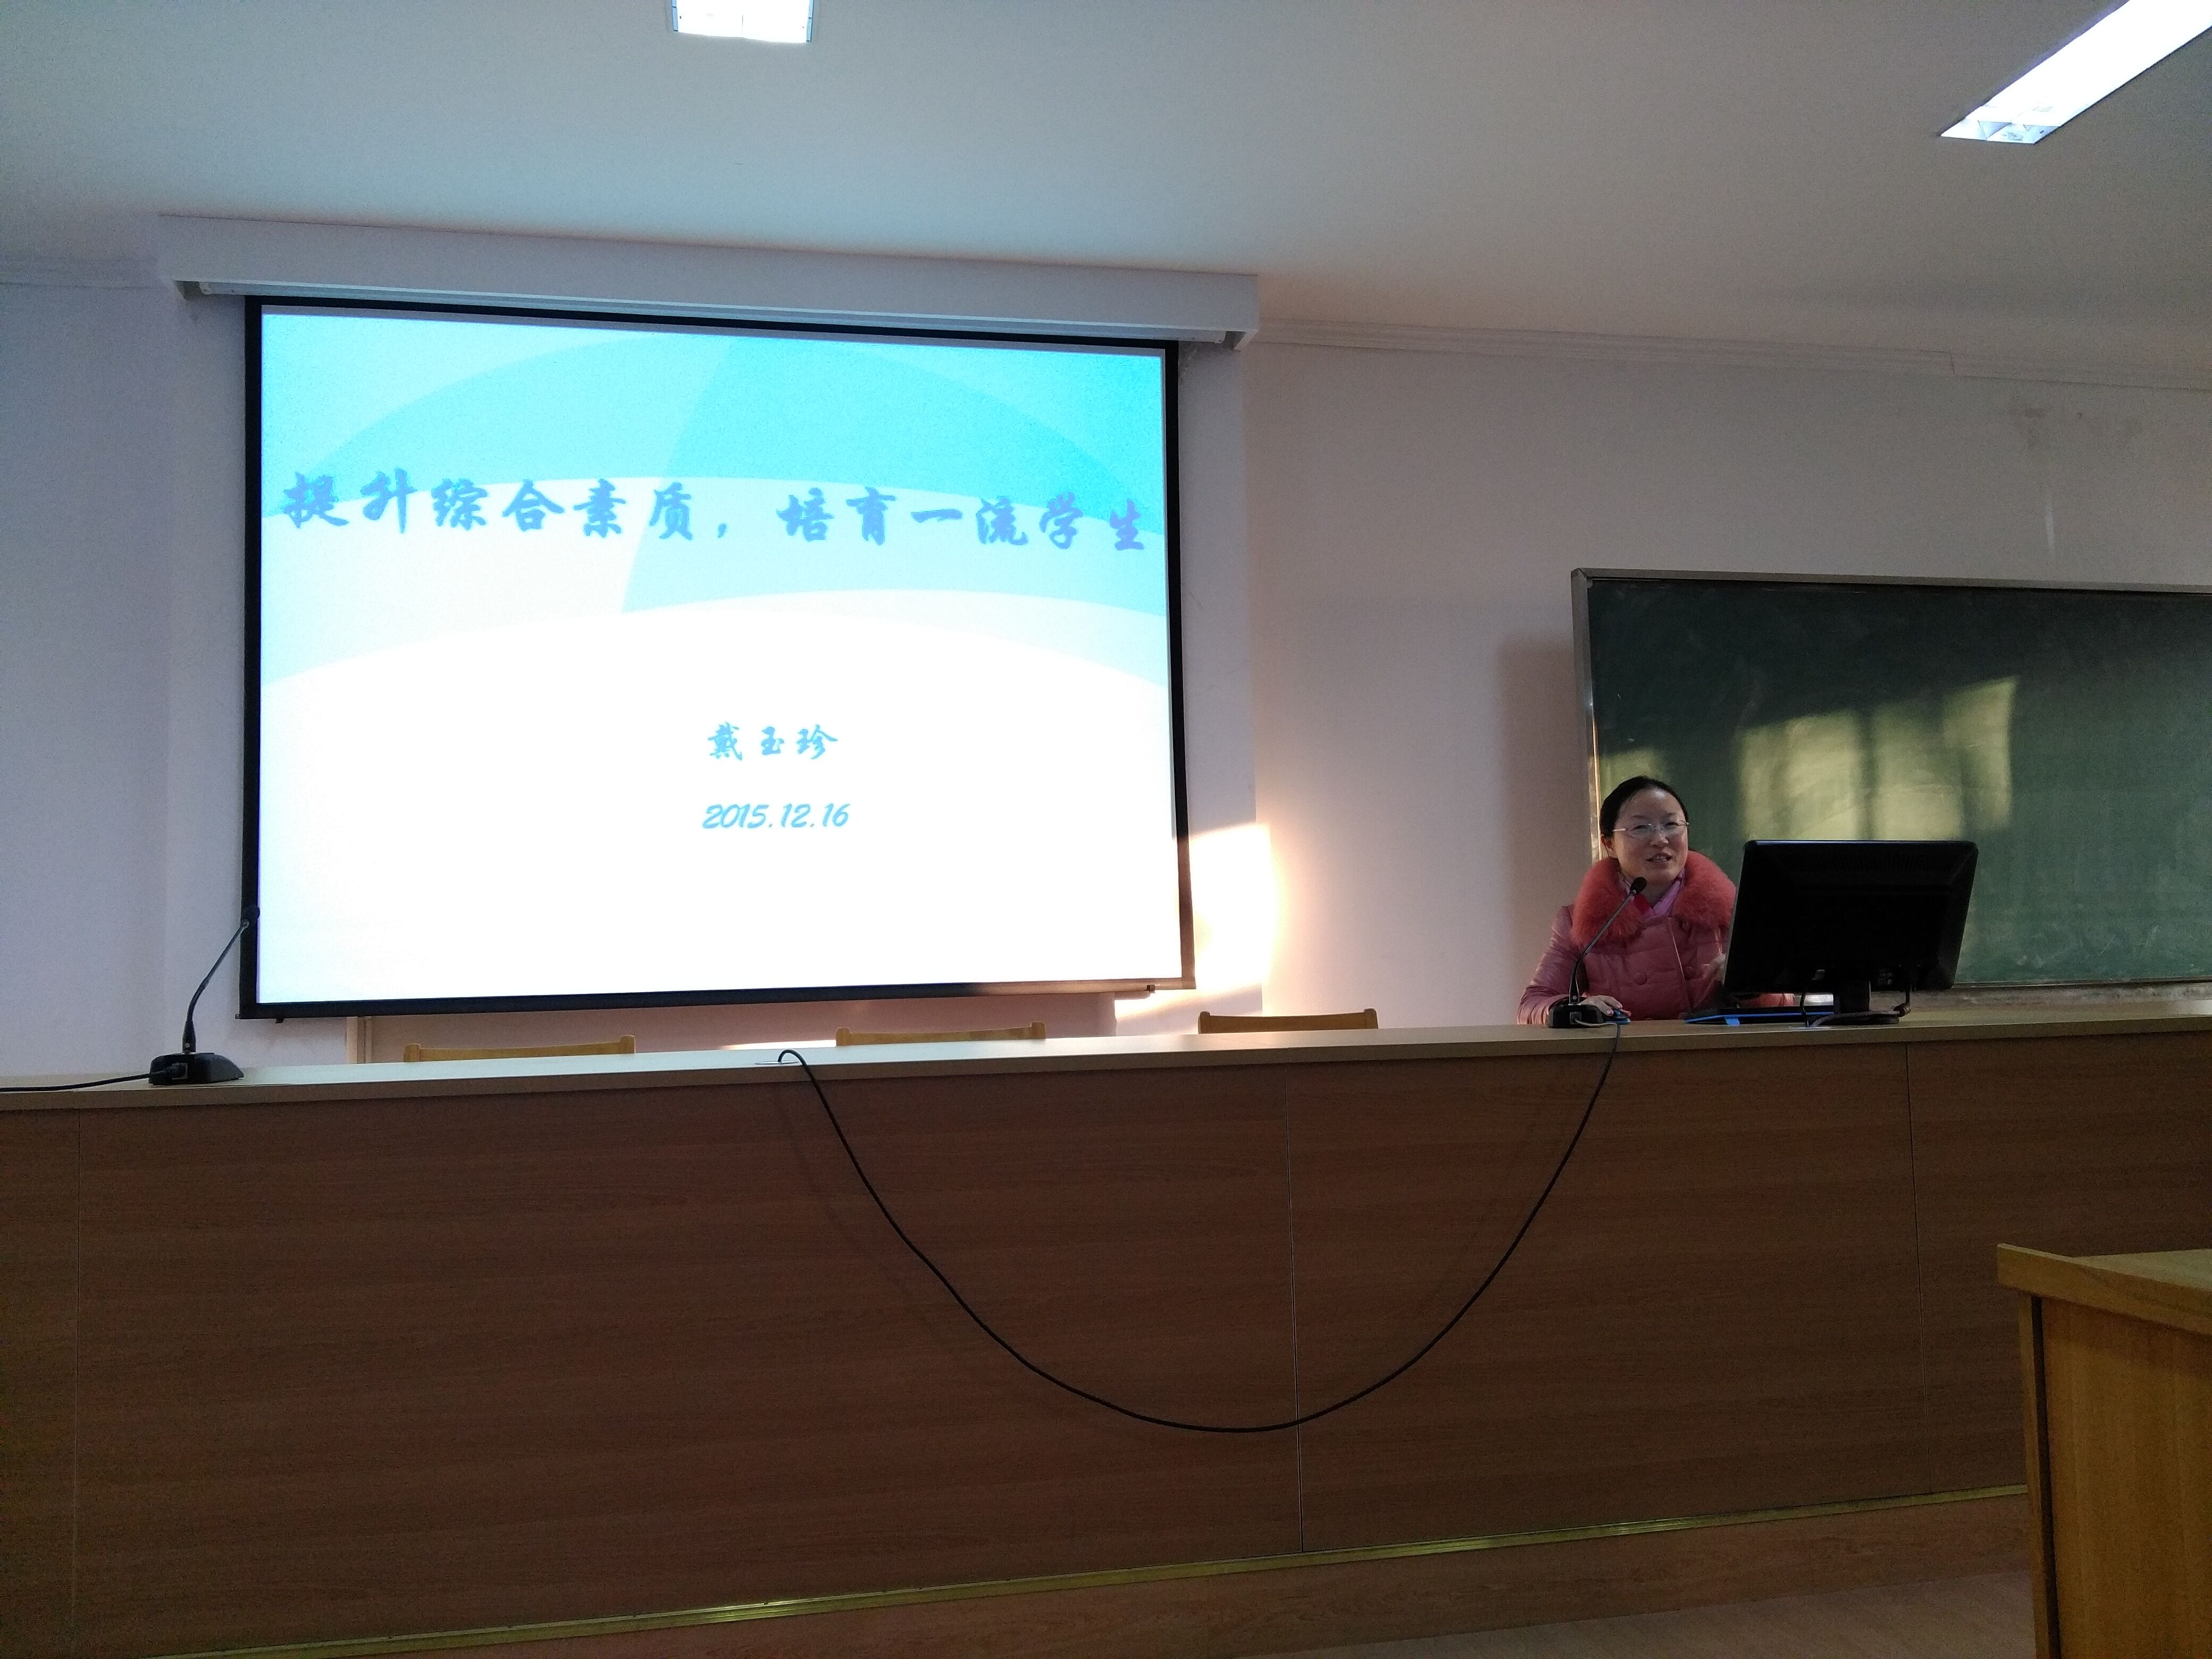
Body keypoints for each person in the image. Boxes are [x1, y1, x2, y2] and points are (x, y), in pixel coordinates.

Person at [1518, 775, 1741, 1025]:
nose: (1660, 839)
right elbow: (1532, 1005)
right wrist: (1576, 1008)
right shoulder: (1579, 922)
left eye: (1671, 824)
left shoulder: (1732, 911)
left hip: (1715, 1049)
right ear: (1609, 844)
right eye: (1641, 828)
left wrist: (1748, 986)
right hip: (1626, 1050)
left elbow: (1776, 1005)